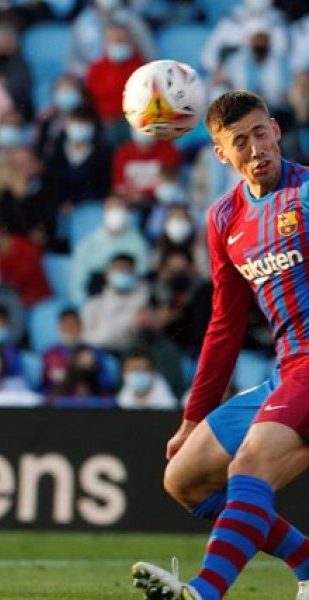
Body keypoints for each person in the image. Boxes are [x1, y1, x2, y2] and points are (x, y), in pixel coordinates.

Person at [131, 91, 309, 600]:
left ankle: (205, 592)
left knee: (248, 467)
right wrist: (194, 416)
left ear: (276, 130)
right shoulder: (223, 219)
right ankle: (307, 561)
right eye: (240, 141)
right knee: (184, 480)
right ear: (221, 154)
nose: (256, 149)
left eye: (260, 133)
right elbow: (225, 324)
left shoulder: (305, 195)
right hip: (290, 369)